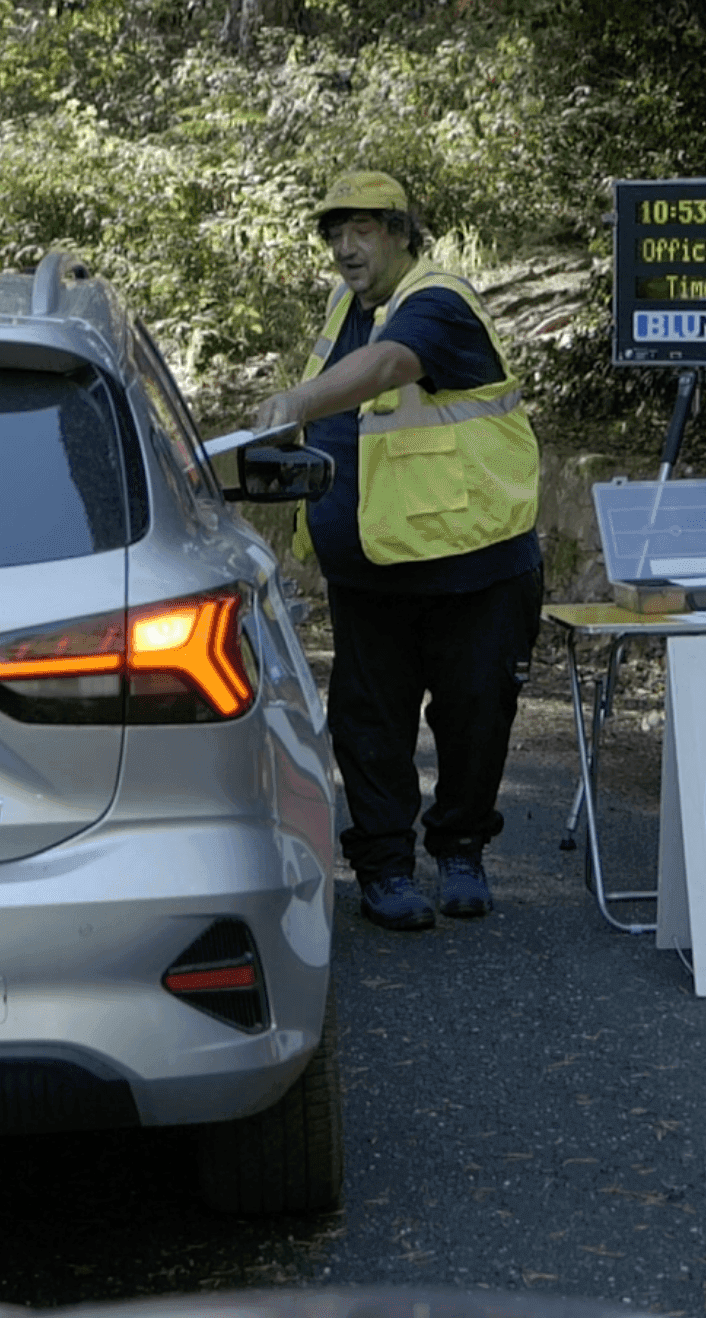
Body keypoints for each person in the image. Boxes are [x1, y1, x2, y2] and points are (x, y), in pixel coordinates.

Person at [248, 171, 544, 931]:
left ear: (402, 233)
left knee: (475, 715)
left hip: (471, 563)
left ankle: (461, 851)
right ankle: (384, 870)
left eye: (364, 231)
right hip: (374, 568)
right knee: (370, 724)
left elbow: (387, 370)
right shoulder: (348, 308)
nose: (346, 248)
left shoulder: (437, 300)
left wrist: (295, 403)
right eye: (334, 234)